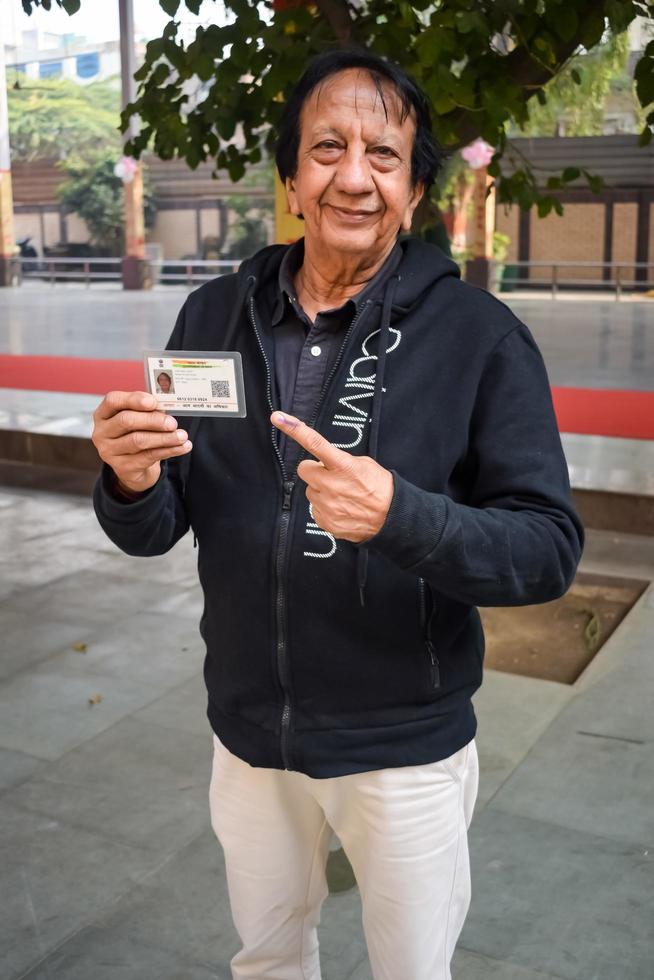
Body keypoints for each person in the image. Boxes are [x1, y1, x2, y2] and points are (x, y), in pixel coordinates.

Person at [91, 49, 584, 980]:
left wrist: (404, 515)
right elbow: (160, 525)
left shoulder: (481, 338)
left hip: (402, 746)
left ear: (413, 188)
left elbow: (547, 550)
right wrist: (128, 481)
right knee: (268, 958)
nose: (352, 176)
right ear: (290, 176)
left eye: (383, 155)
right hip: (249, 734)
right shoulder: (210, 316)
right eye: (326, 148)